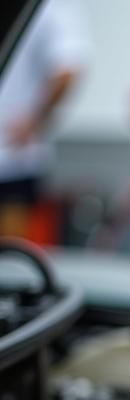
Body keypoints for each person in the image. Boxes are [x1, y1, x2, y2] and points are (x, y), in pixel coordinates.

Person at [0, 0, 87, 237]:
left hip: (13, 156)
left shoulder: (53, 9)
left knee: (8, 251)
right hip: (13, 155)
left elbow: (67, 72)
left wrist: (34, 121)